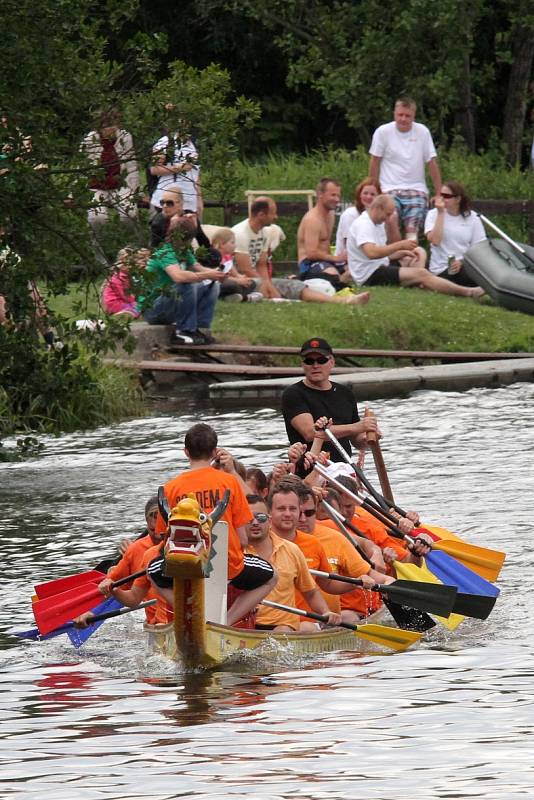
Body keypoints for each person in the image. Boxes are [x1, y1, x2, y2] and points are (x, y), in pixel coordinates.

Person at [146, 423, 276, 627]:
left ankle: (190, 613)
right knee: (272, 577)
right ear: (215, 452)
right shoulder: (230, 483)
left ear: (186, 452)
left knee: (151, 570)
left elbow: (163, 537)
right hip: (228, 566)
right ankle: (226, 622)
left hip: (184, 565)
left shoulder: (170, 488)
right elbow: (243, 539)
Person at [232, 198, 370, 305]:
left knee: (295, 285)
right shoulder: (240, 233)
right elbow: (247, 270)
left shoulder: (265, 232)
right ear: (261, 214)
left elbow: (261, 265)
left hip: (254, 279)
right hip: (237, 280)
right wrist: (267, 287)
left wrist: (269, 285)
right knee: (272, 289)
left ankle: (342, 301)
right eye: (273, 213)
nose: (276, 217)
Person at [347, 194, 485, 297]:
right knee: (422, 273)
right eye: (387, 214)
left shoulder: (376, 223)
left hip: (379, 265)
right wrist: (400, 245)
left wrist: (400, 253)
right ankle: (469, 292)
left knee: (418, 252)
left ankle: (418, 282)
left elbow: (379, 252)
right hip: (370, 275)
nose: (388, 219)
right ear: (377, 208)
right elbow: (371, 253)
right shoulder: (364, 224)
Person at [245, 490, 342, 631]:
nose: (255, 523)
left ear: (269, 520)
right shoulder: (234, 552)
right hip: (244, 625)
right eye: (249, 518)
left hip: (283, 626)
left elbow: (311, 592)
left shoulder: (292, 550)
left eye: (260, 518)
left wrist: (325, 612)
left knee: (286, 631)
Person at [281, 337, 378, 462]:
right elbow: (311, 433)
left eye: (321, 360)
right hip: (308, 471)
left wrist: (370, 437)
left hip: (343, 471)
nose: (315, 366)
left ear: (332, 362)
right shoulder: (293, 394)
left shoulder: (345, 393)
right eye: (309, 361)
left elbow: (357, 441)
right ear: (303, 365)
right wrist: (357, 427)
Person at [142, 215, 225, 345]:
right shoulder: (164, 252)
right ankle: (184, 330)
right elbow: (178, 276)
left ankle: (200, 328)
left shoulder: (184, 250)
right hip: (153, 310)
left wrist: (216, 274)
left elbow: (198, 267)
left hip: (170, 305)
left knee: (213, 286)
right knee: (187, 284)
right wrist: (206, 276)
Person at [368, 97, 441, 241]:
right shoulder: (383, 132)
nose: (403, 119)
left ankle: (410, 256)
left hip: (416, 189)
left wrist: (439, 192)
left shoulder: (422, 132)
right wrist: (373, 188)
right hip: (389, 188)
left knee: (412, 227)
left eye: (407, 116)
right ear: (394, 113)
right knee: (391, 218)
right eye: (400, 115)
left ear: (413, 116)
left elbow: (432, 162)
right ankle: (396, 255)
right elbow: (374, 161)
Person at [81, 109, 140, 243]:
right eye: (107, 127)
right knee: (97, 218)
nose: (111, 130)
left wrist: (135, 191)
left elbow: (132, 166)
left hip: (120, 184)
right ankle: (98, 250)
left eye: (114, 125)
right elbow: (81, 167)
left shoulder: (125, 137)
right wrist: (73, 194)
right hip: (96, 186)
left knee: (129, 214)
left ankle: (133, 246)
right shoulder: (90, 139)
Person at [424, 181, 486, 286]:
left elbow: (480, 247)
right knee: (471, 277)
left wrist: (462, 262)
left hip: (465, 264)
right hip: (441, 268)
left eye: (447, 196)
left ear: (458, 199)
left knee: (483, 272)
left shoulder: (472, 217)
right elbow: (435, 241)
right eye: (441, 195)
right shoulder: (433, 214)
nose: (442, 199)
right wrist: (440, 213)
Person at [297, 178, 355, 290]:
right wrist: (336, 259)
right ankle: (299, 279)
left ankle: (337, 278)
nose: (337, 199)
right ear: (320, 194)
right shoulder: (312, 220)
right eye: (333, 195)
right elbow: (311, 253)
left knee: (356, 271)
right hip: (309, 263)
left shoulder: (330, 214)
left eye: (338, 195)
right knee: (333, 277)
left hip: (326, 261)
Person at [149, 118, 202, 217]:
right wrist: (180, 168)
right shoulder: (165, 142)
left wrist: (199, 200)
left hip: (189, 202)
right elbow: (154, 169)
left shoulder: (193, 145)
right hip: (166, 201)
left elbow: (196, 175)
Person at [210, 227, 261, 303]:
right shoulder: (213, 256)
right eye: (232, 243)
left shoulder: (227, 257)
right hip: (216, 283)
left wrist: (242, 278)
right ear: (222, 244)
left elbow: (236, 274)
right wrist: (238, 281)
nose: (235, 246)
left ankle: (231, 297)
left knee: (253, 282)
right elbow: (219, 276)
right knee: (232, 286)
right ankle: (245, 297)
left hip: (228, 281)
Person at [334, 177, 381, 255]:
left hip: (373, 259)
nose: (369, 197)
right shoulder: (350, 215)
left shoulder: (379, 218)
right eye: (365, 193)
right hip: (348, 262)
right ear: (359, 195)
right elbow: (348, 248)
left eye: (373, 194)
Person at [101, 246, 151, 317]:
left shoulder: (128, 277)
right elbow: (126, 296)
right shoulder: (118, 278)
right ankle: (121, 314)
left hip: (122, 302)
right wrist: (137, 303)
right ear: (122, 265)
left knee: (138, 308)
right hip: (114, 304)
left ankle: (128, 313)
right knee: (137, 309)